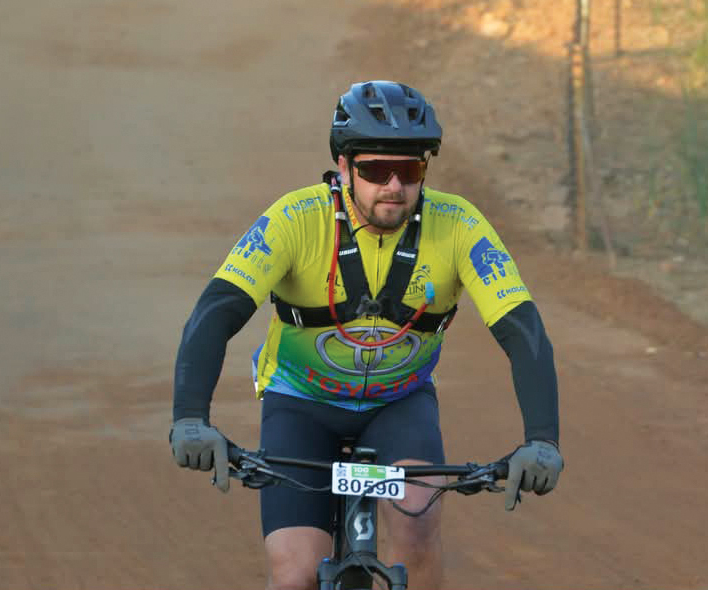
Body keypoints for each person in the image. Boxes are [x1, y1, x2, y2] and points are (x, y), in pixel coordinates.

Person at [169, 80, 564, 590]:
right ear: (344, 167)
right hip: (301, 403)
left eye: (411, 171)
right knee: (294, 574)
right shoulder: (294, 219)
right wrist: (190, 418)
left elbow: (522, 328)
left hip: (399, 405)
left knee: (417, 523)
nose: (394, 186)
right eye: (377, 170)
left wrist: (542, 440)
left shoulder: (460, 225)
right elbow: (216, 312)